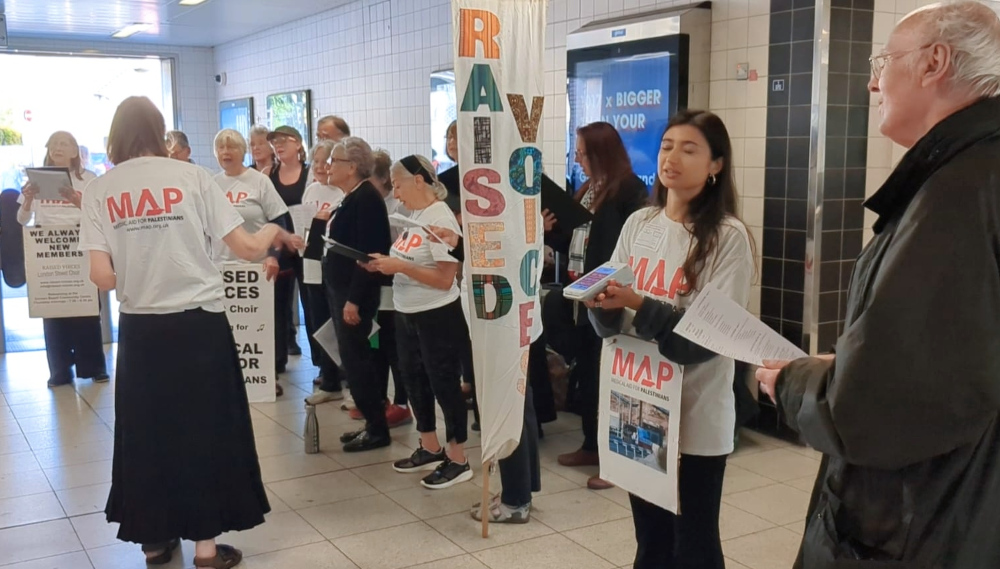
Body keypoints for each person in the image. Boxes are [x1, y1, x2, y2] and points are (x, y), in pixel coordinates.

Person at [756, 4, 1000, 567]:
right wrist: (851, 362)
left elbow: (876, 410)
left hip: (923, 521)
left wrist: (791, 382)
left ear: (933, 62)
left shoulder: (957, 197)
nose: (872, 82)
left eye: (883, 60)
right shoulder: (970, 175)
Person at [79, 96, 302, 569]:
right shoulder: (193, 177)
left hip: (141, 332)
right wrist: (272, 235)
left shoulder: (101, 189)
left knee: (147, 433)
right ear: (161, 133)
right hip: (199, 325)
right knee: (206, 430)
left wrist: (139, 265)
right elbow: (244, 247)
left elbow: (103, 278)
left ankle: (155, 542)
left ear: (116, 135)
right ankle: (205, 548)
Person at [588, 110, 753, 568]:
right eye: (666, 146)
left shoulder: (727, 237)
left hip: (696, 418)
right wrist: (599, 304)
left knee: (694, 545)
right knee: (651, 541)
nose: (672, 157)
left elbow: (704, 341)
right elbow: (611, 323)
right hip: (638, 406)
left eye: (689, 148)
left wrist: (639, 304)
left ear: (716, 164)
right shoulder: (640, 224)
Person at [366, 155, 471, 489]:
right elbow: (407, 260)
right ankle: (430, 446)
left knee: (444, 384)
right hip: (406, 312)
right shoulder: (415, 216)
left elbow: (444, 279)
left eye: (397, 184)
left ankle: (459, 457)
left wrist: (401, 267)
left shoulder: (441, 219)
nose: (395, 193)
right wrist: (384, 264)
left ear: (419, 181)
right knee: (412, 380)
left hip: (437, 314)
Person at [554, 121, 648, 490]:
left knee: (608, 378)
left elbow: (624, 246)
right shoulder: (587, 189)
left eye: (582, 153)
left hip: (611, 295)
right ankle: (591, 445)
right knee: (590, 375)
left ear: (600, 152)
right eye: (576, 153)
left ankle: (615, 460)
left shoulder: (628, 189)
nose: (578, 159)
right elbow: (577, 241)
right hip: (583, 292)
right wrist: (552, 232)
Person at [314, 136, 393, 452]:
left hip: (353, 292)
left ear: (353, 167)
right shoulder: (350, 197)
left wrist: (355, 299)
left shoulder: (367, 200)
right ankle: (371, 423)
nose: (328, 166)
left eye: (334, 161)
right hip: (340, 288)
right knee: (351, 359)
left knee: (358, 361)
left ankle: (378, 428)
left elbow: (370, 254)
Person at [18, 131, 109, 388]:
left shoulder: (89, 180)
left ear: (75, 151)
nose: (58, 147)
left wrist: (79, 203)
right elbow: (21, 220)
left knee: (87, 311)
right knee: (53, 311)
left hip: (80, 250)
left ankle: (93, 366)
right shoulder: (35, 181)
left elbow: (101, 218)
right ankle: (59, 370)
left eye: (65, 143)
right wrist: (27, 201)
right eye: (54, 143)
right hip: (47, 253)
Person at [211, 128, 289, 396]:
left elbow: (280, 220)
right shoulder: (212, 185)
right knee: (230, 325)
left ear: (242, 151)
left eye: (231, 147)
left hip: (257, 267)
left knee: (264, 323)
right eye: (221, 148)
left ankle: (268, 373)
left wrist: (273, 255)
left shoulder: (259, 182)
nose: (226, 153)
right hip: (222, 268)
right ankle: (232, 376)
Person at [353, 148, 413, 428]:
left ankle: (402, 402)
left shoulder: (398, 206)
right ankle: (379, 398)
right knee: (375, 344)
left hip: (394, 285)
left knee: (394, 347)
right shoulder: (367, 201)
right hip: (375, 286)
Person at [298, 140, 348, 397]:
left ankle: (343, 371)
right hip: (310, 263)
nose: (319, 167)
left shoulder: (341, 193)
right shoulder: (311, 191)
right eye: (315, 161)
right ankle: (327, 372)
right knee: (317, 319)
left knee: (335, 320)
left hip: (332, 265)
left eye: (325, 161)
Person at [268, 125, 309, 362]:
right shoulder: (268, 175)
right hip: (278, 246)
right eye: (275, 142)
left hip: (305, 246)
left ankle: (326, 368)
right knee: (278, 308)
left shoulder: (309, 173)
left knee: (312, 308)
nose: (279, 145)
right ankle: (277, 360)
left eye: (284, 140)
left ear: (298, 144)